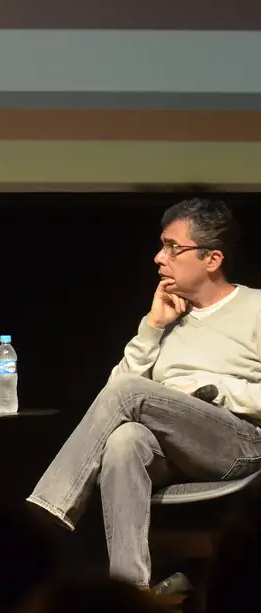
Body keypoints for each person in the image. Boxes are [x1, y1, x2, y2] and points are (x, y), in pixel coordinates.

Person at [28, 198, 261, 588]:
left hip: (238, 443)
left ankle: (42, 518)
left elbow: (127, 393)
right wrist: (152, 327)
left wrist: (214, 391)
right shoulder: (167, 317)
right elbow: (113, 398)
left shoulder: (255, 307)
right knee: (123, 439)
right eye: (161, 245)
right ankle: (130, 592)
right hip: (176, 450)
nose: (158, 258)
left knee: (131, 394)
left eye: (173, 247)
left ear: (212, 259)